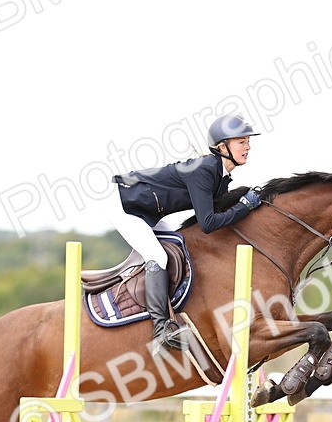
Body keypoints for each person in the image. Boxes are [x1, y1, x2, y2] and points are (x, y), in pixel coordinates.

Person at [107, 114, 263, 352]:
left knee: (180, 245)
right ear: (223, 146)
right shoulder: (204, 170)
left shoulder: (220, 175)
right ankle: (160, 330)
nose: (248, 146)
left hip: (147, 211)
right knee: (158, 257)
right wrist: (244, 206)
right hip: (124, 206)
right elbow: (208, 223)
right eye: (241, 141)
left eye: (248, 141)